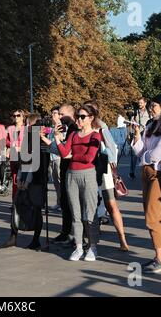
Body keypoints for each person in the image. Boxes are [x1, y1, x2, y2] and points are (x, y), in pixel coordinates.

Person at [132, 94, 161, 273]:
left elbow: (158, 154)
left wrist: (145, 156)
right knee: (155, 215)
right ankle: (160, 256)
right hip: (147, 172)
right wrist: (137, 138)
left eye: (155, 106)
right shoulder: (151, 125)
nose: (151, 108)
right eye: (151, 106)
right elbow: (140, 150)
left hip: (159, 173)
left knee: (153, 216)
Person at [55, 104, 102, 262]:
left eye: (82, 117)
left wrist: (72, 155)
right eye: (78, 117)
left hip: (87, 175)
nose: (79, 120)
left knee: (89, 214)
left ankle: (92, 246)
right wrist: (56, 138)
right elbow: (63, 152)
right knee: (75, 213)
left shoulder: (95, 136)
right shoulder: (74, 134)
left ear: (91, 118)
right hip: (71, 175)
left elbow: (89, 158)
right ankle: (79, 246)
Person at [85, 101, 130, 251]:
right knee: (91, 205)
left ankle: (122, 239)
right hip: (88, 169)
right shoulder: (82, 128)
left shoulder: (101, 127)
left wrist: (112, 165)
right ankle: (91, 241)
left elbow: (112, 148)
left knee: (111, 204)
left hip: (102, 169)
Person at [0, 114, 44, 250]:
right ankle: (13, 235)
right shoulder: (28, 138)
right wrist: (19, 177)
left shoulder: (38, 139)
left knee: (35, 208)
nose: (27, 126)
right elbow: (23, 160)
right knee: (17, 206)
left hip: (35, 178)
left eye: (30, 124)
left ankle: (36, 239)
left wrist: (28, 180)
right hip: (23, 175)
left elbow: (34, 161)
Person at [40, 104, 77, 245]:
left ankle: (75, 235)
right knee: (65, 203)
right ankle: (66, 232)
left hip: (72, 169)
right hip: (65, 167)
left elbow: (65, 151)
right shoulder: (66, 127)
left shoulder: (73, 127)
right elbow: (61, 149)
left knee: (71, 204)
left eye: (61, 114)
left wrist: (55, 139)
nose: (59, 117)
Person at [129, 97, 152, 179]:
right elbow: (131, 124)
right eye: (139, 103)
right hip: (137, 134)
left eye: (141, 103)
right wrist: (130, 133)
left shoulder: (149, 112)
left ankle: (145, 170)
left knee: (144, 153)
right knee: (134, 154)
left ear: (145, 103)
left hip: (145, 134)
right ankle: (132, 172)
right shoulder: (135, 112)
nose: (139, 104)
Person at [7, 109, 26, 200]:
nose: (16, 117)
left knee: (23, 178)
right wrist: (8, 149)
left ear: (23, 117)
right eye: (14, 116)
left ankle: (24, 201)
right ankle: (15, 201)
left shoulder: (26, 128)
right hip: (14, 156)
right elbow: (7, 142)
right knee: (15, 178)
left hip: (24, 155)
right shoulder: (11, 128)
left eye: (18, 115)